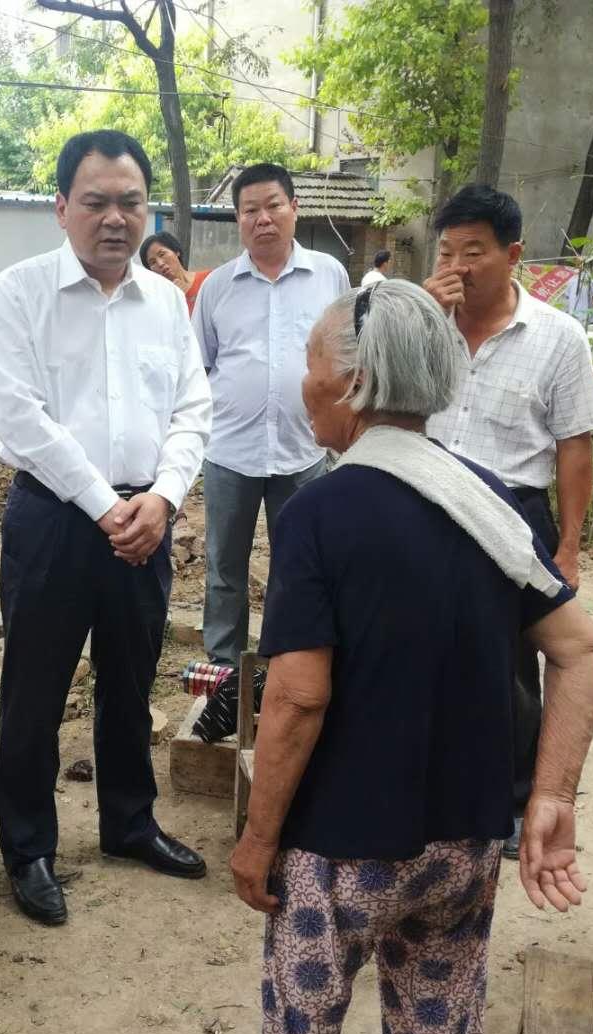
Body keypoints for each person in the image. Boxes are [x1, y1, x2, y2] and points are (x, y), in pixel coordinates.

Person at [230, 280, 593, 1034]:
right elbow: (580, 649)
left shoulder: (318, 515)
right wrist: (553, 795)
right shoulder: (487, 503)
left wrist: (258, 839)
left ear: (354, 384)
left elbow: (298, 697)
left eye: (311, 364)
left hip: (339, 855)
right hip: (463, 849)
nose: (304, 383)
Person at [0, 130, 213, 927]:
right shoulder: (20, 293)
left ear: (147, 211)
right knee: (36, 689)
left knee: (130, 680)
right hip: (54, 518)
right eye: (97, 202)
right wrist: (102, 505)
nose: (116, 218)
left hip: (145, 519)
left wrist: (165, 497)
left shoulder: (166, 303)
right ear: (61, 208)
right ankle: (29, 848)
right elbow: (20, 418)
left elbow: (193, 408)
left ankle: (129, 823)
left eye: (131, 203)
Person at [422, 184, 593, 858]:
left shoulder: (558, 338)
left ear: (513, 255)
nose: (458, 266)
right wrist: (423, 317)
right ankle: (432, 784)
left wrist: (569, 547)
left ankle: (512, 799)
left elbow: (574, 448)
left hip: (514, 514)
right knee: (424, 651)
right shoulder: (422, 325)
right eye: (447, 251)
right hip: (427, 504)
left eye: (474, 251)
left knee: (510, 671)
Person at [191, 162, 351, 667]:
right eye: (250, 210)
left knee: (298, 565)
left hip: (304, 451)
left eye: (273, 206)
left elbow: (345, 355)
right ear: (238, 219)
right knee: (224, 567)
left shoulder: (329, 275)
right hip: (229, 453)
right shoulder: (217, 286)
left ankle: (290, 662)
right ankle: (224, 668)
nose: (263, 218)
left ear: (294, 208)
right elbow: (199, 367)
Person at [141, 230, 211, 313]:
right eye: (153, 262)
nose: (160, 263)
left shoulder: (208, 279)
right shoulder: (158, 301)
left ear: (176, 251)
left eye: (162, 254)